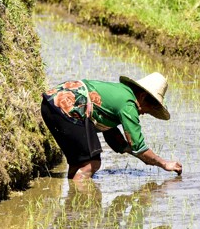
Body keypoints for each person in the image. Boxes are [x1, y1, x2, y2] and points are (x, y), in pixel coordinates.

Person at [40, 72, 183, 180]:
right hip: (68, 108)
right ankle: (79, 207)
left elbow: (112, 135)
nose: (144, 113)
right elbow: (139, 147)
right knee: (92, 163)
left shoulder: (120, 93)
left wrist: (136, 153)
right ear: (143, 97)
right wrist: (164, 164)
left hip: (50, 105)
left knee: (79, 163)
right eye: (148, 108)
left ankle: (73, 205)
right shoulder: (128, 104)